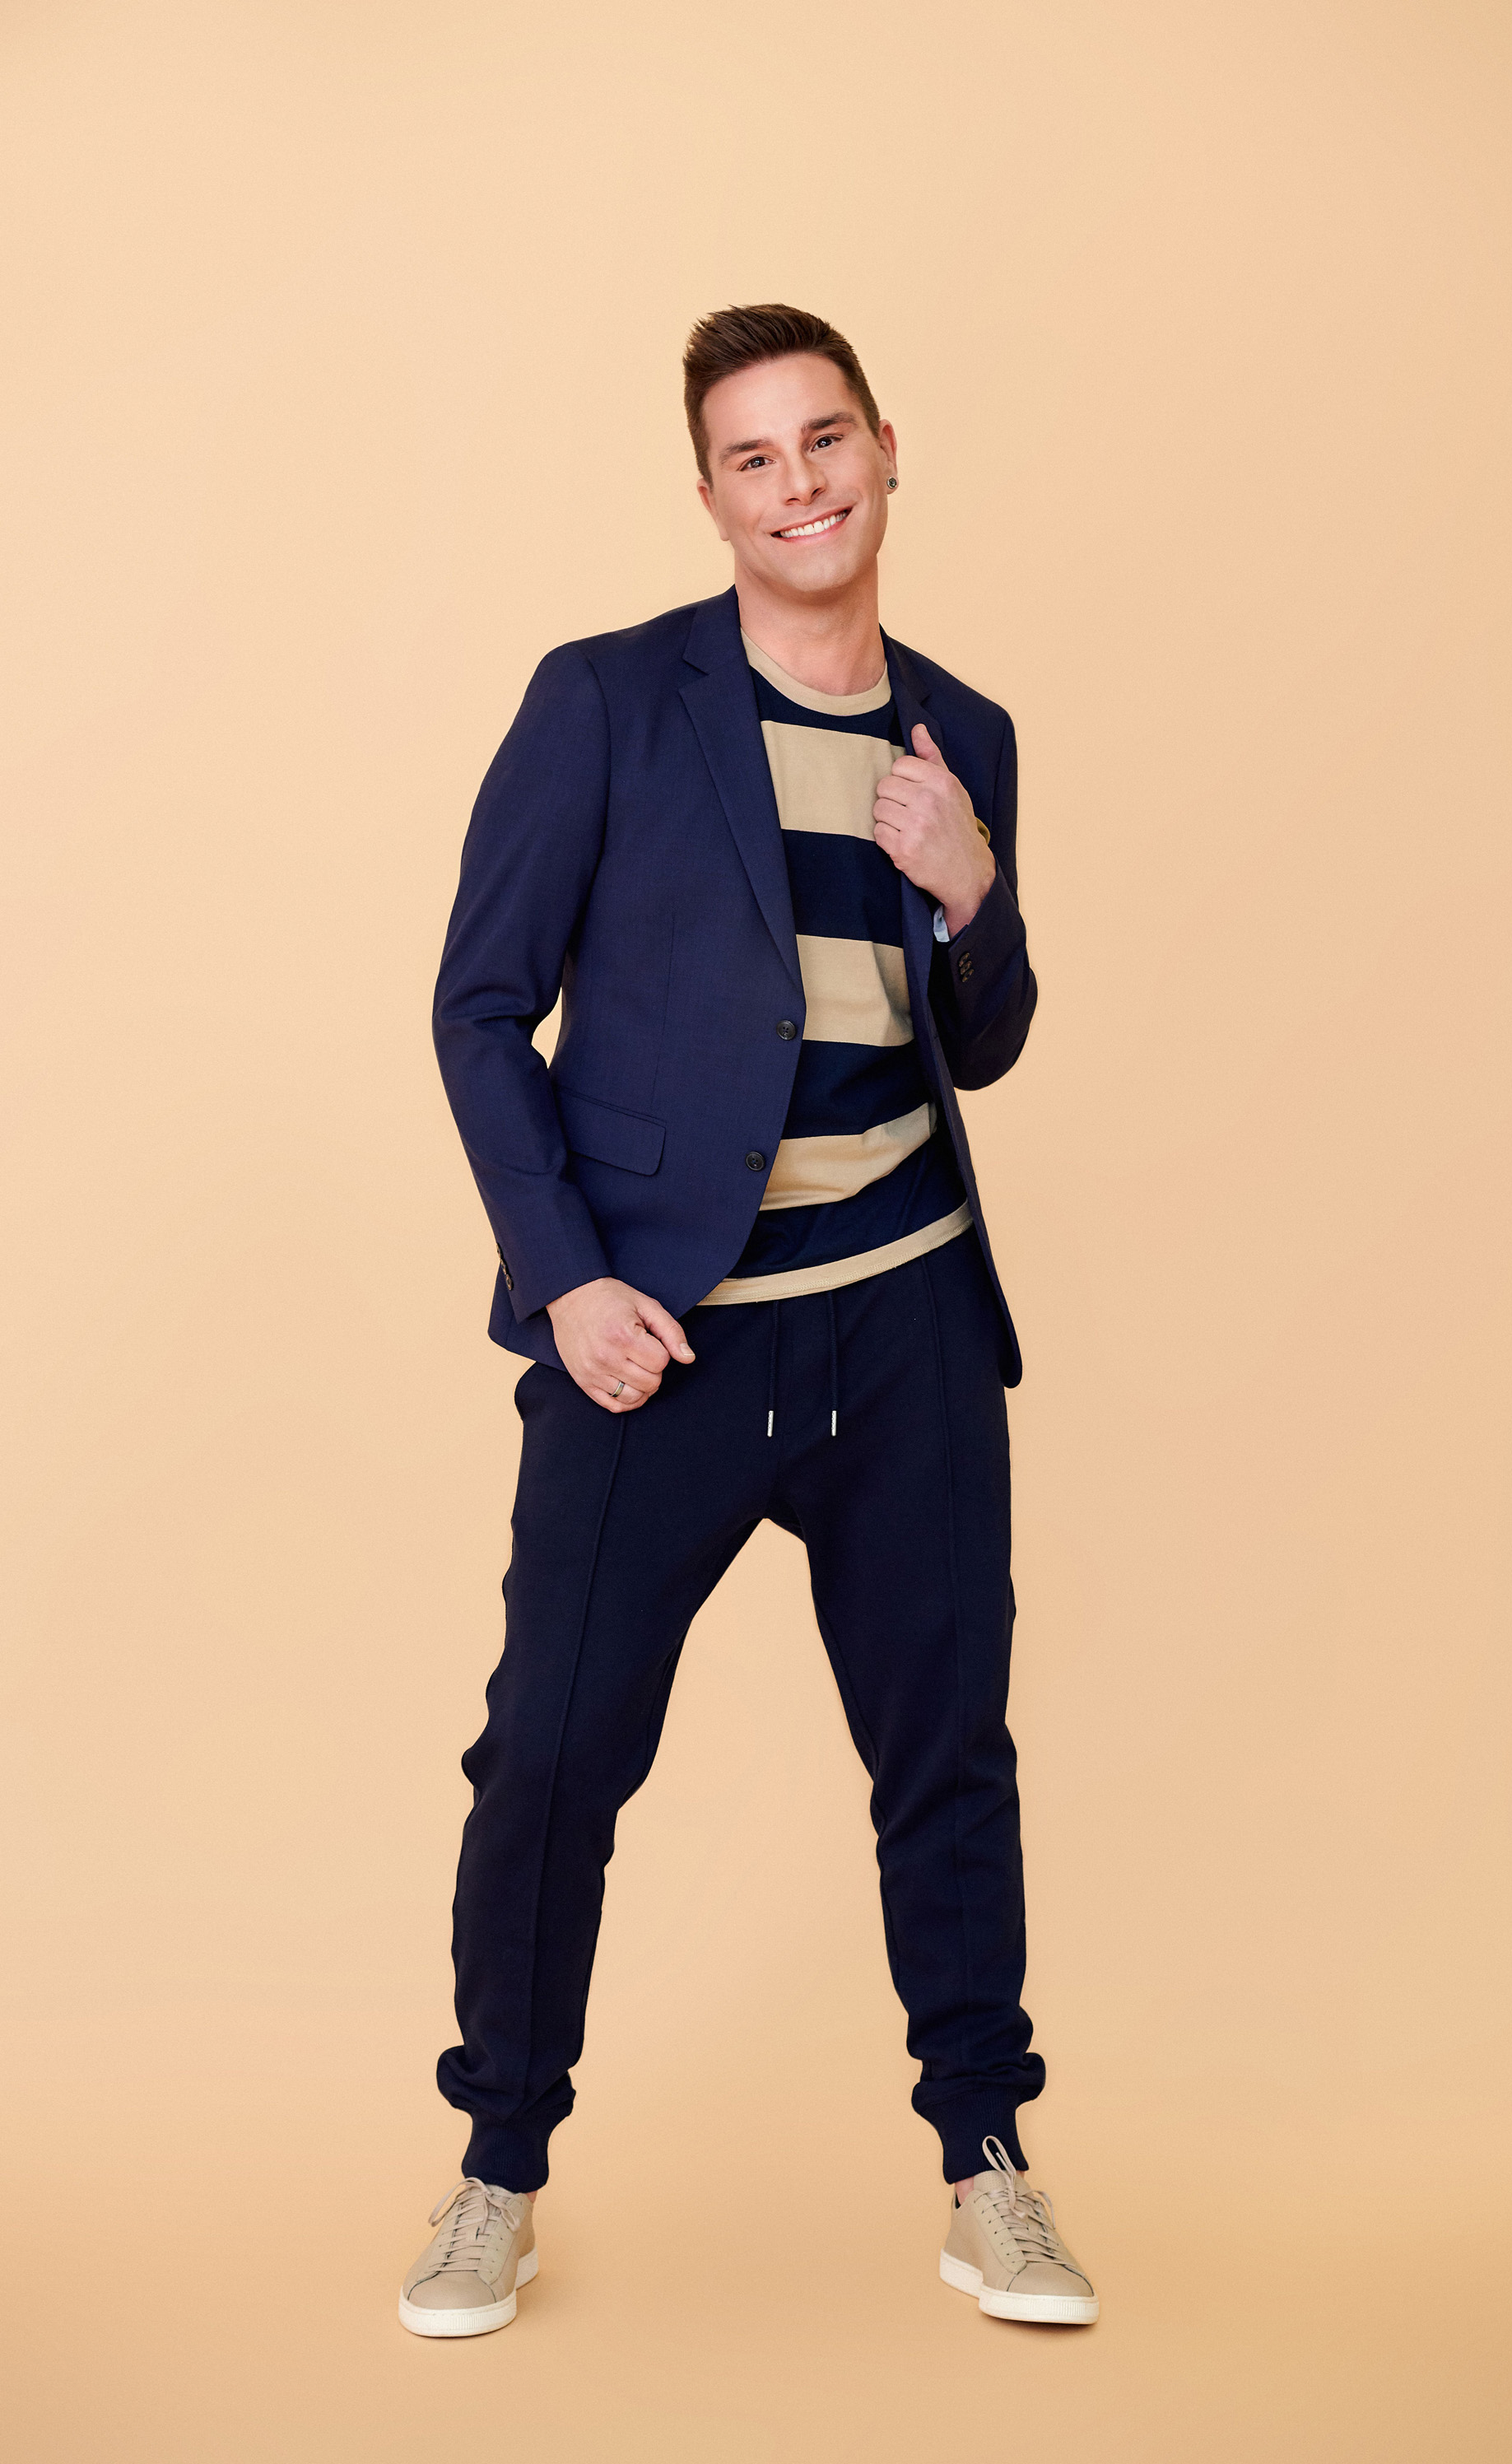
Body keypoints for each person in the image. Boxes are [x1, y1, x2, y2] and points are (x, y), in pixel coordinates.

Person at [399, 305, 1096, 2337]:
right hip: (665, 1341)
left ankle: (988, 2169)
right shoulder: (610, 703)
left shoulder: (963, 730)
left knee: (945, 1758)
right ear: (709, 497)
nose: (801, 486)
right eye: (754, 458)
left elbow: (983, 1038)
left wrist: (974, 892)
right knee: (549, 1758)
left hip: (905, 1325)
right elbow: (477, 1008)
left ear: (885, 450)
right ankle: (494, 2171)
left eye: (825, 441)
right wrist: (567, 1278)